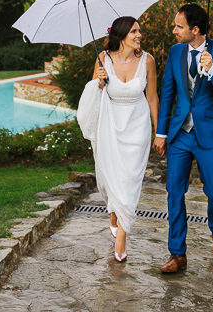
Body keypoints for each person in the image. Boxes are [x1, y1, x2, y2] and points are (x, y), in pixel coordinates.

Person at [153, 3, 213, 273]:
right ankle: (177, 254)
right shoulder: (176, 51)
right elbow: (168, 93)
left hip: (209, 133)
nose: (174, 30)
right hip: (180, 134)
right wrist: (162, 133)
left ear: (195, 29)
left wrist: (212, 70)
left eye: (179, 26)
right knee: (174, 192)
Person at [91, 16, 158, 263]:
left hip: (137, 127)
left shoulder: (148, 60)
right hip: (109, 125)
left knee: (130, 179)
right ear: (120, 36)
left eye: (139, 31)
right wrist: (97, 82)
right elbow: (93, 98)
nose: (139, 35)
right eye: (134, 31)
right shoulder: (103, 60)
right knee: (111, 180)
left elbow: (152, 98)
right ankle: (113, 213)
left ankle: (122, 237)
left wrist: (159, 131)